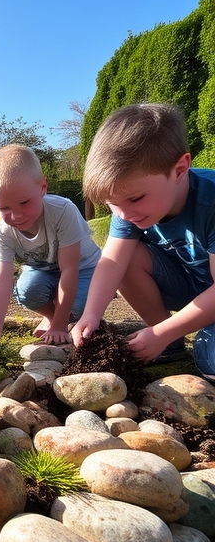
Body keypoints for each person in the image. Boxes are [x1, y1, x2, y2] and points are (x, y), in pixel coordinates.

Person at [71, 102, 215, 374]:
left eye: (135, 198)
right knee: (125, 259)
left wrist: (161, 332)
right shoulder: (130, 209)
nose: (123, 214)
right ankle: (172, 345)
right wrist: (91, 315)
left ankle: (172, 337)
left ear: (180, 169)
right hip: (189, 287)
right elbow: (112, 262)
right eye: (111, 204)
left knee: (211, 359)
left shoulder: (211, 202)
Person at [0, 144, 101, 352]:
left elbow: (69, 269)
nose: (16, 216)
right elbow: (2, 279)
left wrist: (60, 327)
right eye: (3, 208)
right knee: (26, 290)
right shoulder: (3, 232)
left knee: (80, 304)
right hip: (45, 270)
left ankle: (67, 319)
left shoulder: (62, 211)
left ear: (43, 187)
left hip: (85, 268)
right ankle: (55, 317)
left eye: (24, 202)